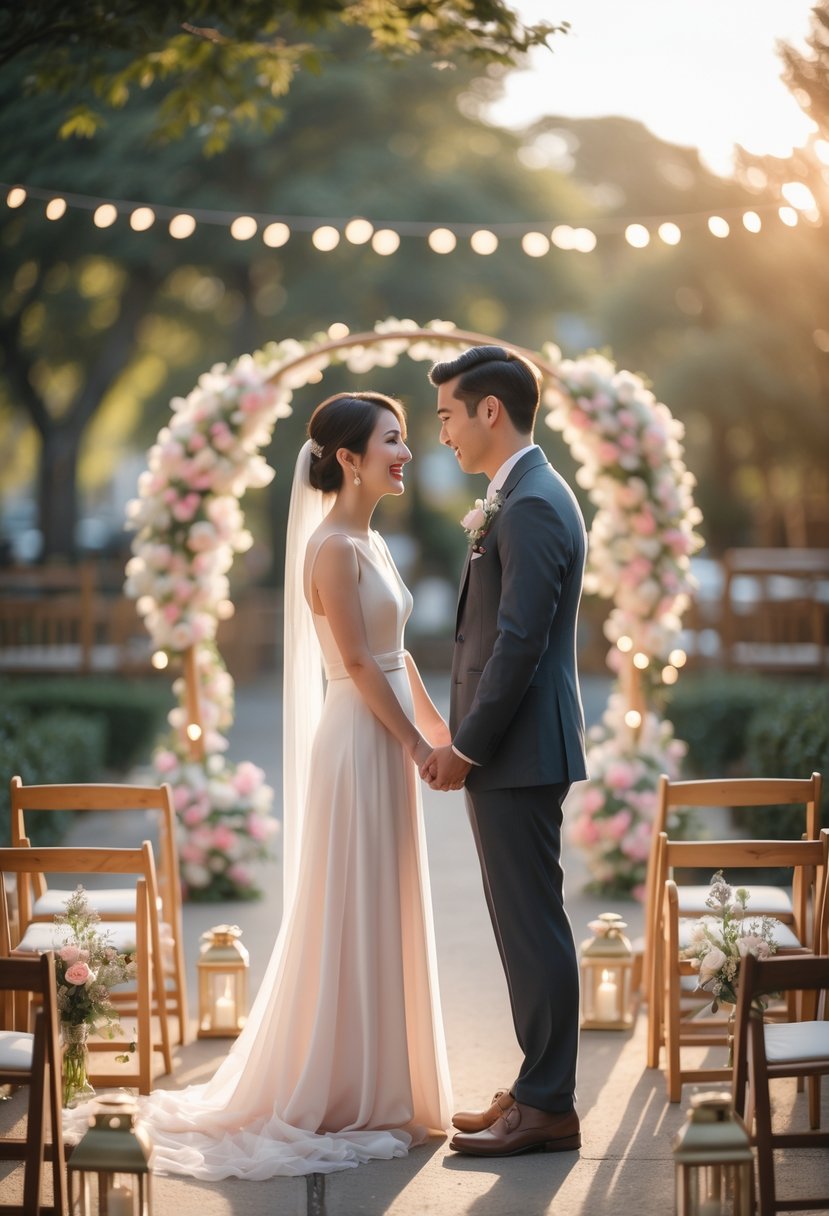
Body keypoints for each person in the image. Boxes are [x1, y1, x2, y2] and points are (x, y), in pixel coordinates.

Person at [133, 391, 453, 1178]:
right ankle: (344, 1085)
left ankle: (383, 1078)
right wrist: (415, 745)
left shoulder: (372, 542)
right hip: (357, 739)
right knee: (350, 899)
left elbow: (395, 655)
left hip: (386, 728)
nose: (405, 451)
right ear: (348, 458)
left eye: (404, 438)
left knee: (382, 896)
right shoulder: (333, 550)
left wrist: (445, 733)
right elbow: (351, 664)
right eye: (391, 440)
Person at [421, 344, 588, 1158]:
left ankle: (548, 1105)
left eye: (448, 413)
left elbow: (518, 643)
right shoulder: (516, 493)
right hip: (514, 750)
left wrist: (467, 747)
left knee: (532, 926)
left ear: (491, 410)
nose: (441, 431)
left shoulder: (528, 504)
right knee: (522, 923)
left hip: (516, 749)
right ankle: (533, 1087)